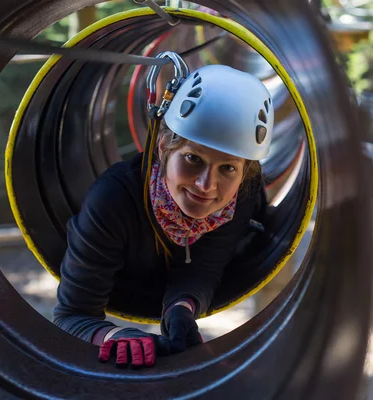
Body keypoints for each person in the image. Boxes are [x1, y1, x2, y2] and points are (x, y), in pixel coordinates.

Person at [53, 63, 274, 368]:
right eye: (193, 158)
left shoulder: (238, 201)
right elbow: (72, 315)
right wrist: (115, 336)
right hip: (125, 282)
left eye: (228, 168)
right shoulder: (113, 200)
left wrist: (182, 306)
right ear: (162, 147)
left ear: (244, 173)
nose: (206, 185)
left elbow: (203, 268)